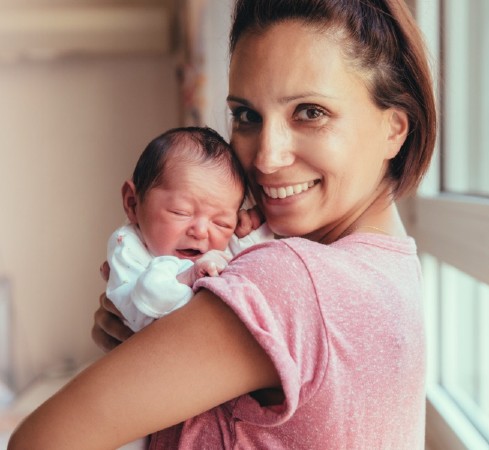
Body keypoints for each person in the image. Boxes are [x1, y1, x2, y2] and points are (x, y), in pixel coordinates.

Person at [9, 0, 437, 448]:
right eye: (247, 116)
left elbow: (38, 441)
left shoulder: (289, 279)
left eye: (310, 112)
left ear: (395, 129)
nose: (266, 158)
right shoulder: (390, 265)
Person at [105, 126, 273, 332]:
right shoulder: (128, 246)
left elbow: (253, 264)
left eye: (222, 223)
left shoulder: (216, 248)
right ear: (132, 203)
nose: (201, 231)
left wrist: (255, 231)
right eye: (180, 212)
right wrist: (190, 276)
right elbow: (148, 301)